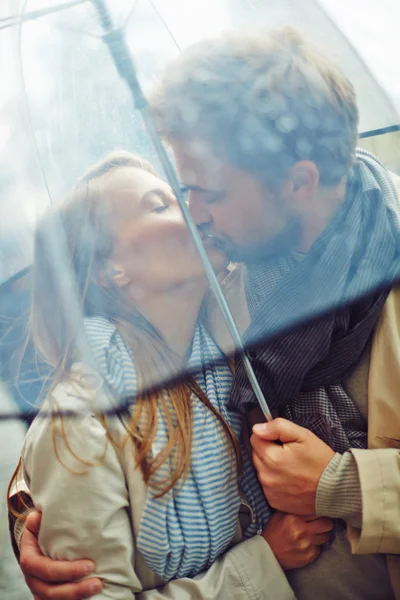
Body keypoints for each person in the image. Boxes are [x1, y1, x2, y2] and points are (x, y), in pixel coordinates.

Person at [12, 27, 400, 599]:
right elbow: (94, 420)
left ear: (298, 182)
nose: (196, 214)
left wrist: (340, 485)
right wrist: (33, 513)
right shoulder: (227, 288)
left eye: (207, 192)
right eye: (177, 190)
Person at [9, 150, 333, 600]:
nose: (194, 212)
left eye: (181, 195)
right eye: (160, 205)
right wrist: (263, 561)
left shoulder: (240, 334)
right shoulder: (81, 421)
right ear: (110, 270)